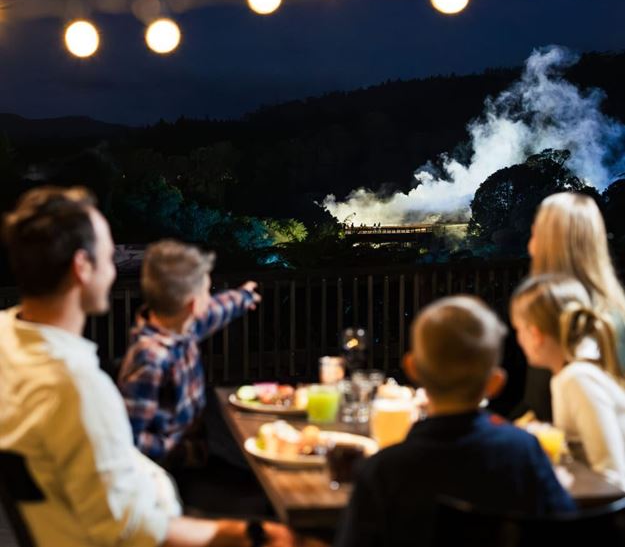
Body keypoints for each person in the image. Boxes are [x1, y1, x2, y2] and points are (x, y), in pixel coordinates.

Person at [0, 186, 292, 547]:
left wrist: (243, 296)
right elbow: (137, 532)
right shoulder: (76, 388)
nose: (114, 269)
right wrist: (250, 536)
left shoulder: (8, 342)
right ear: (82, 267)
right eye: (109, 257)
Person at [334, 295, 574, 547]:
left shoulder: (383, 470)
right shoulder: (524, 451)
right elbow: (565, 528)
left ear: (412, 368)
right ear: (495, 383)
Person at [118, 239, 260, 467]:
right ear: (193, 305)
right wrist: (178, 451)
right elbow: (129, 438)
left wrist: (243, 297)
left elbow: (216, 311)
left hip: (198, 447)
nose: (209, 298)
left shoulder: (181, 326)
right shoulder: (150, 359)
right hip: (170, 468)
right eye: (206, 292)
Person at [511, 274, 625, 489]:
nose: (518, 339)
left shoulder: (577, 379)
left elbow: (614, 476)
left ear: (535, 335)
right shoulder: (567, 376)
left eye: (518, 329)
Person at [518, 191, 625, 421]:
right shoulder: (615, 307)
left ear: (549, 243)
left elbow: (541, 408)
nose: (529, 245)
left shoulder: (555, 312)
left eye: (534, 233)